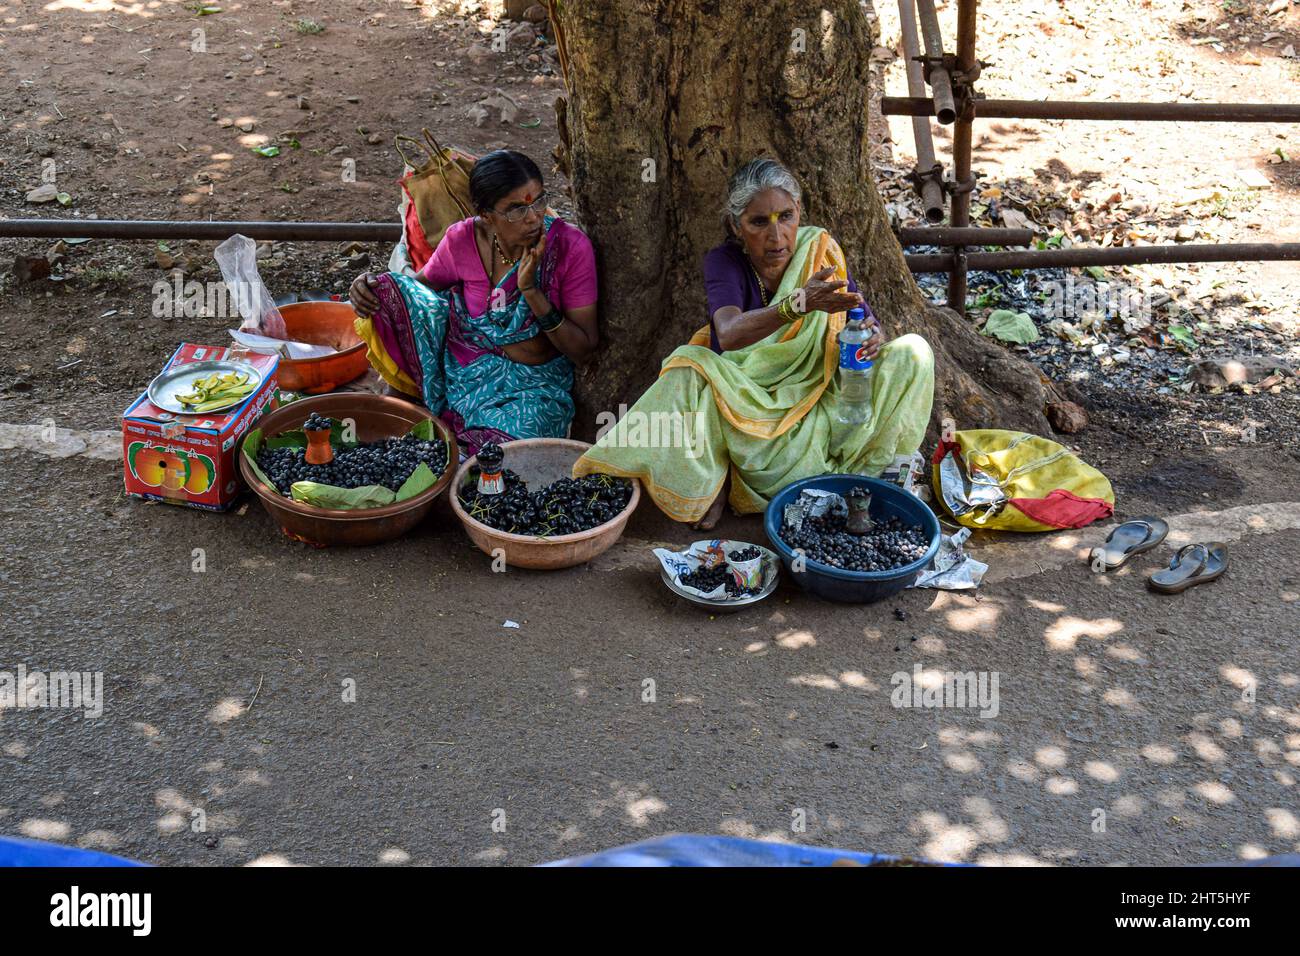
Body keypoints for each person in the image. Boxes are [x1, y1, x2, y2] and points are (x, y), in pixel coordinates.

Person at [574, 157, 934, 529]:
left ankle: (859, 473)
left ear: (799, 213)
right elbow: (728, 333)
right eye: (759, 222)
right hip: (747, 406)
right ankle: (712, 483)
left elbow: (862, 318)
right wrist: (800, 304)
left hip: (818, 402)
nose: (776, 236)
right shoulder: (725, 262)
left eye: (786, 217)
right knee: (689, 366)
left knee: (914, 354)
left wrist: (874, 337)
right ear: (736, 225)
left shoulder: (819, 252)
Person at [350, 149, 599, 456]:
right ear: (486, 214)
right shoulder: (463, 239)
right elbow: (415, 292)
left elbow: (584, 349)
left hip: (531, 386)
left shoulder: (570, 248)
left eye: (538, 201)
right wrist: (367, 286)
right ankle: (409, 397)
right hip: (465, 370)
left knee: (511, 450)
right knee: (387, 289)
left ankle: (446, 433)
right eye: (516, 209)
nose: (534, 216)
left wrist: (532, 292)